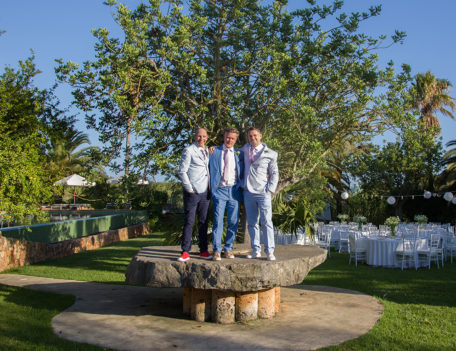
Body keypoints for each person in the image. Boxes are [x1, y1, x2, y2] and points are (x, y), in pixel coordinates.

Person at [240, 127, 279, 261]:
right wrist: (214, 149)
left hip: (263, 192)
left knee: (266, 221)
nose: (253, 138)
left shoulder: (271, 153)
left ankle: (269, 251)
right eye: (250, 136)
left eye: (255, 135)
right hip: (248, 192)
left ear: (260, 136)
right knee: (252, 223)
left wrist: (270, 189)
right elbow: (230, 151)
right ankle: (256, 250)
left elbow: (274, 173)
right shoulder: (245, 149)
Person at [177, 128, 212, 262]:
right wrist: (189, 189)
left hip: (205, 192)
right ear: (194, 136)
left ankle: (203, 250)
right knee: (189, 221)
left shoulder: (206, 151)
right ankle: (185, 251)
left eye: (204, 136)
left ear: (207, 138)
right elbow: (182, 171)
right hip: (192, 192)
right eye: (199, 136)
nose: (201, 139)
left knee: (203, 222)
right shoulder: (188, 150)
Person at [209, 127, 243, 261]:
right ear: (224, 136)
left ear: (236, 140)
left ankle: (228, 248)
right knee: (217, 221)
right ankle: (216, 250)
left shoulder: (239, 153)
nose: (230, 140)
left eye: (233, 138)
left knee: (233, 222)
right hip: (219, 190)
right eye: (228, 137)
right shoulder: (213, 151)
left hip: (234, 191)